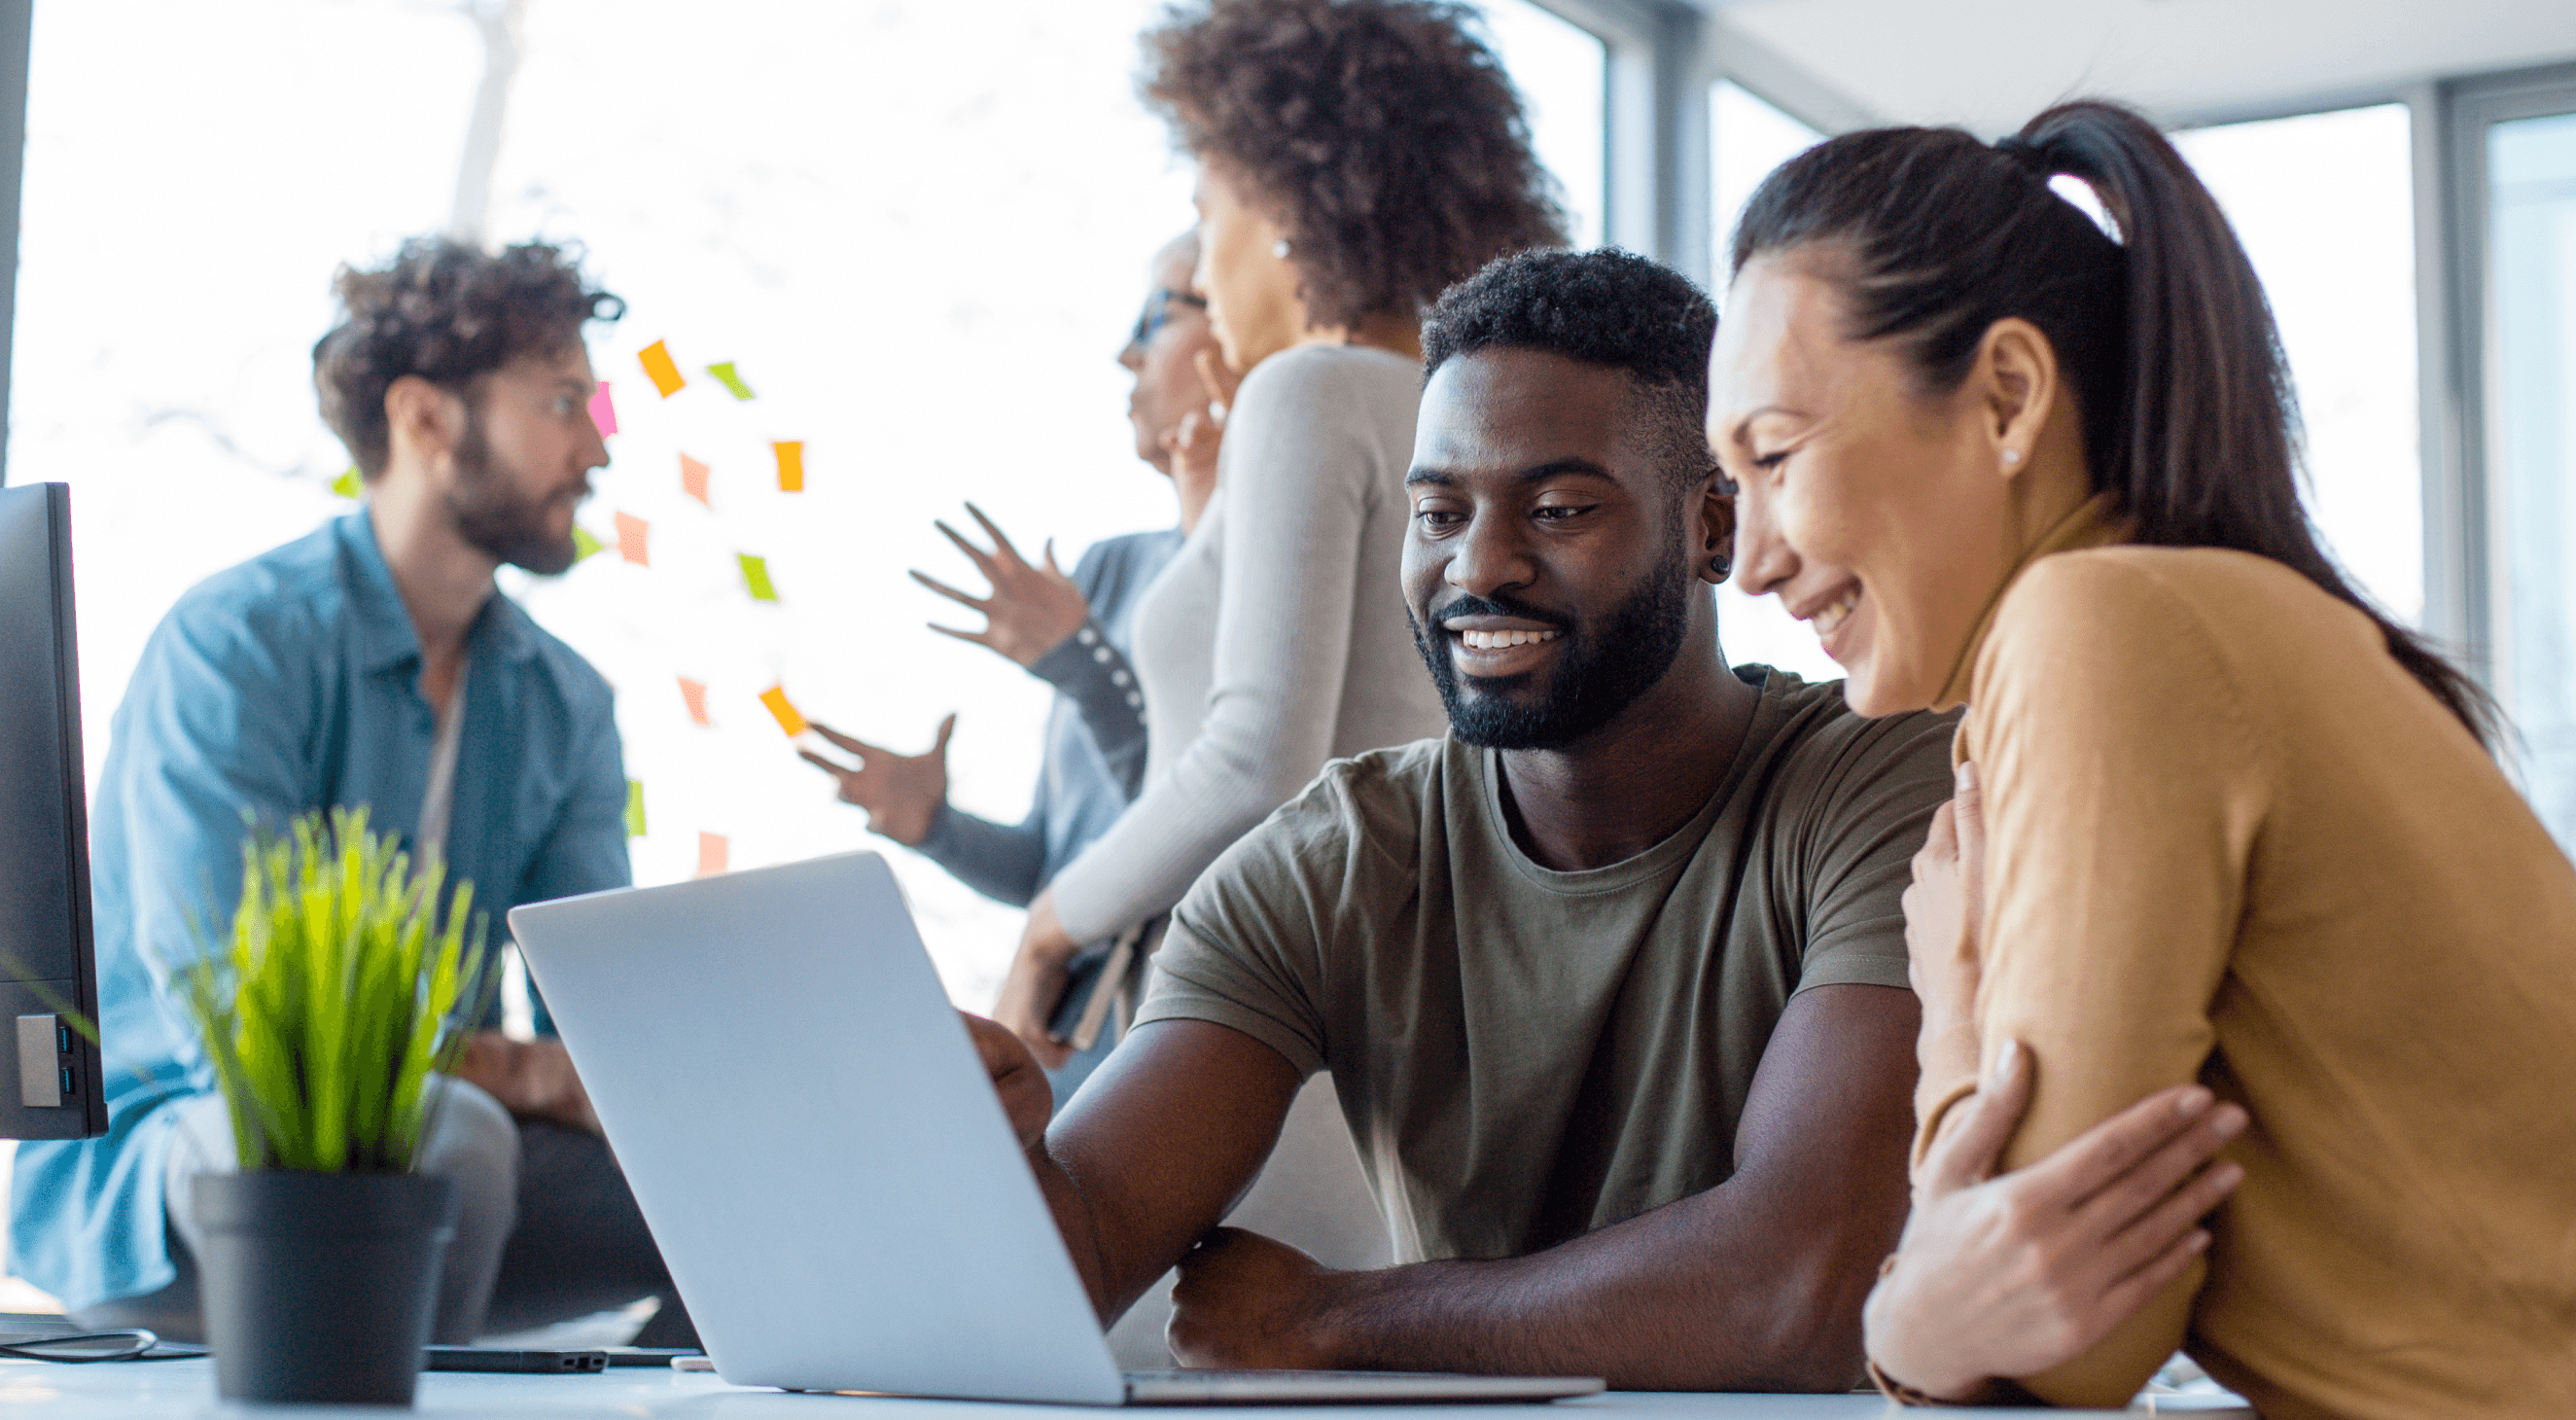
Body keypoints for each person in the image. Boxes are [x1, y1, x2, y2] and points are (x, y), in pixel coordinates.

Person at [1711, 100, 2576, 1413]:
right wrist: (1928, 1316)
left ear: (2005, 396)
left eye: (1774, 454)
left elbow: (2062, 1346)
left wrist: (1953, 974)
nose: (1752, 560)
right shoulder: (2193, 623)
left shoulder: (2098, 626)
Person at [963, 247, 1961, 1388]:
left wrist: (1332, 1318)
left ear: (1714, 529)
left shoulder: (1889, 782)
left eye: (1559, 507)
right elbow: (1080, 1246)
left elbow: (1801, 1289)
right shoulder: (1333, 859)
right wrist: (990, 1153)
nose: (1478, 565)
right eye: (1439, 510)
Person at [11, 238, 696, 1348]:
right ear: (425, 419)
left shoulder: (565, 702)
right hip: (187, 1155)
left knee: (765, 1177)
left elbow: (605, 1036)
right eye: (564, 400)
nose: (597, 446)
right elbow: (243, 1022)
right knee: (454, 1134)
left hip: (446, 1167)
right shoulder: (238, 642)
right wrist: (522, 1068)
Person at [992, 0, 1567, 1066]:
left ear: (1288, 198)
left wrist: (1047, 923)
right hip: (1386, 998)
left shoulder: (1310, 390)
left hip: (1250, 1016)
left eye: (1208, 211)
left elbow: (1256, 762)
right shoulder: (1459, 411)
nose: (1203, 274)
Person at [801, 230, 1228, 1097]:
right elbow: (1058, 864)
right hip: (1065, 1037)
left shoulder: (1267, 577)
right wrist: (939, 829)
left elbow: (1212, 808)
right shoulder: (1108, 569)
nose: (1125, 352)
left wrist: (1080, 664)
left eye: (1158, 315)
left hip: (1172, 1030)